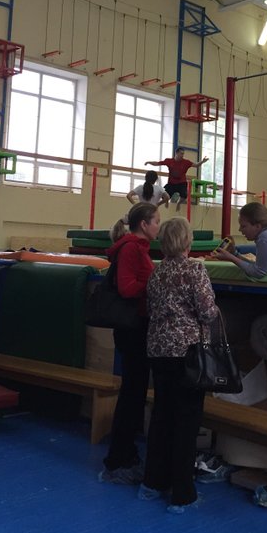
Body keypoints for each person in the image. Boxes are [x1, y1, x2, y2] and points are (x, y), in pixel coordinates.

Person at [138, 217, 218, 513]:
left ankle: (152, 482)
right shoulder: (194, 270)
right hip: (188, 354)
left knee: (162, 416)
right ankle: (182, 493)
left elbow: (151, 308)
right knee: (186, 421)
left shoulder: (157, 272)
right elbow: (207, 312)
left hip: (158, 350)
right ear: (188, 241)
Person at [98, 202, 161, 485]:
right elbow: (127, 287)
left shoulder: (138, 248)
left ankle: (127, 454)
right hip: (132, 328)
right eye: (156, 221)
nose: (158, 226)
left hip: (137, 327)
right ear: (144, 224)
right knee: (131, 394)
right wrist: (156, 284)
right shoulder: (131, 248)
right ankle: (117, 460)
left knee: (135, 392)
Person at [145, 148, 209, 209]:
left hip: (181, 183)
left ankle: (179, 203)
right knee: (165, 196)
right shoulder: (169, 161)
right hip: (171, 183)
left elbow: (196, 165)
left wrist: (202, 161)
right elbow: (157, 163)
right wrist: (149, 162)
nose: (182, 155)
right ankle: (160, 204)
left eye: (183, 154)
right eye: (181, 153)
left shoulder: (186, 162)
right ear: (176, 153)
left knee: (184, 195)